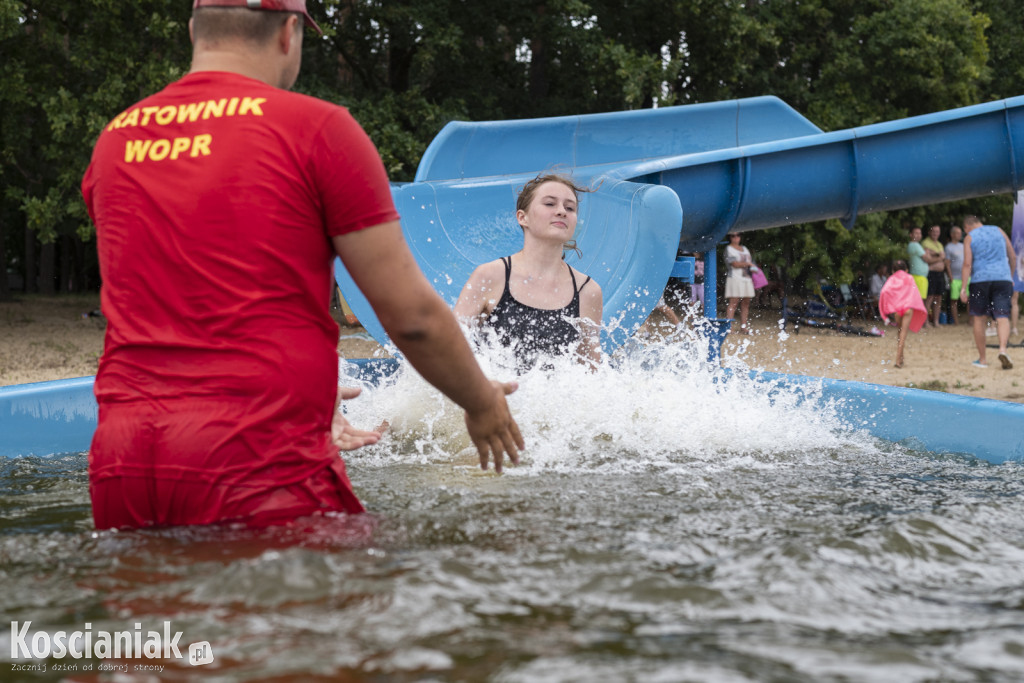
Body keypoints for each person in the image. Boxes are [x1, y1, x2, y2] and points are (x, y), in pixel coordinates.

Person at [80, 0, 524, 531]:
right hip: (256, 450)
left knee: (162, 615)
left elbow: (185, 295)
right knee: (332, 606)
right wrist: (481, 402)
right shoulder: (317, 130)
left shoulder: (117, 139)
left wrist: (313, 392)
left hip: (126, 455)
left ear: (194, 29)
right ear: (290, 33)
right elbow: (410, 317)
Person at [453, 173, 603, 370]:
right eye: (550, 204)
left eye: (570, 208)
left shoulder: (587, 291)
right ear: (522, 217)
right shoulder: (491, 276)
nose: (561, 211)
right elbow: (449, 346)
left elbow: (592, 373)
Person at [960, 215, 1017, 369]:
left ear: (967, 227)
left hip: (980, 280)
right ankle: (1003, 350)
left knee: (979, 318)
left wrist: (963, 287)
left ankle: (983, 359)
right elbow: (1012, 255)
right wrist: (1010, 276)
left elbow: (967, 264)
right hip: (1002, 278)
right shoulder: (998, 230)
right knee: (1002, 316)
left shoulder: (970, 237)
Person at [878, 260, 928, 368]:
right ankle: (898, 360)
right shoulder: (909, 277)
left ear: (892, 270)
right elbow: (914, 293)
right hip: (907, 309)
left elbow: (884, 291)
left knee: (899, 332)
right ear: (906, 270)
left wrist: (887, 307)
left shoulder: (892, 278)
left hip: (897, 310)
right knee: (903, 334)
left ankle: (901, 357)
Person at [723, 231, 756, 334]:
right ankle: (729, 326)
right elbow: (734, 264)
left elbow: (749, 262)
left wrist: (748, 265)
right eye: (733, 236)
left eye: (738, 235)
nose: (736, 238)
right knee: (734, 302)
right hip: (735, 278)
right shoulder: (728, 249)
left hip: (746, 278)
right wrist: (747, 264)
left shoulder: (744, 248)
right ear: (730, 237)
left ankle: (743, 326)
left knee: (746, 303)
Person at [921, 225, 948, 327]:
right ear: (929, 232)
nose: (935, 233)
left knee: (938, 297)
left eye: (937, 231)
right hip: (931, 273)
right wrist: (939, 257)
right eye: (934, 231)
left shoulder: (940, 244)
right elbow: (927, 259)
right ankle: (925, 321)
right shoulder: (925, 243)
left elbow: (943, 257)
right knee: (929, 297)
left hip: (940, 274)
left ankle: (936, 321)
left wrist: (935, 254)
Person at [944, 225, 965, 325]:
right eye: (957, 233)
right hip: (955, 278)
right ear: (952, 234)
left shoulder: (963, 246)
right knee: (954, 300)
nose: (959, 235)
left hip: (965, 277)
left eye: (960, 233)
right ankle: (956, 322)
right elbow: (947, 264)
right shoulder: (948, 247)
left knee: (968, 299)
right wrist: (950, 277)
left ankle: (970, 321)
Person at [906, 226, 932, 301]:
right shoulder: (914, 244)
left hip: (920, 277)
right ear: (911, 235)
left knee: (920, 300)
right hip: (918, 277)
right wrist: (939, 257)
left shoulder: (916, 245)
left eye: (919, 233)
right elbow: (927, 259)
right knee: (919, 301)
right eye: (916, 233)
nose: (918, 235)